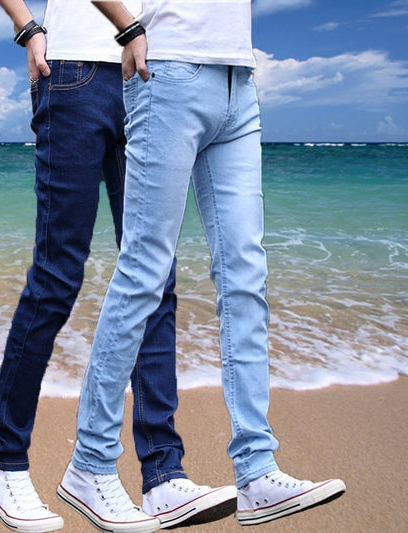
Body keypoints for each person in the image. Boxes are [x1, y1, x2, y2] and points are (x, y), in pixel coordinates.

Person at [58, 1, 346, 531]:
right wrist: (128, 26)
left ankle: (257, 471)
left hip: (239, 79)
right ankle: (91, 464)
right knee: (144, 270)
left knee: (245, 275)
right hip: (168, 72)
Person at [0, 1, 237, 532]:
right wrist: (26, 28)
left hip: (154, 77)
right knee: (57, 276)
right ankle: (2, 462)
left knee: (155, 280)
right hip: (75, 74)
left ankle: (163, 475)